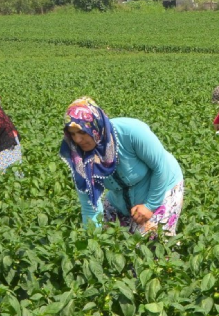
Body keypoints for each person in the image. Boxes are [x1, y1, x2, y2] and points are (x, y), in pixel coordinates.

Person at [60, 97, 184, 237]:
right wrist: (92, 240)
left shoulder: (130, 132)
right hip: (120, 199)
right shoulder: (78, 158)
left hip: (162, 186)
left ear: (95, 126)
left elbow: (161, 166)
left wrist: (150, 206)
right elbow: (89, 206)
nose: (77, 140)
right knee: (107, 236)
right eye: (72, 134)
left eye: (82, 132)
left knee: (151, 241)